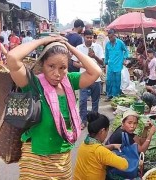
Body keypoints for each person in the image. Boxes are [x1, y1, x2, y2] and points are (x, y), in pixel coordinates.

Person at [7, 35, 102, 179]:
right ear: (42, 63)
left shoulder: (69, 80)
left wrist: (69, 47)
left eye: (63, 67)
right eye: (51, 66)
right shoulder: (32, 84)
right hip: (36, 156)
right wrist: (43, 42)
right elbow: (13, 58)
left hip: (62, 158)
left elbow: (96, 72)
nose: (57, 74)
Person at [74, 112, 128, 180]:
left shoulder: (84, 144)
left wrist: (112, 146)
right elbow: (124, 165)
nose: (106, 135)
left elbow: (95, 152)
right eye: (107, 131)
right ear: (102, 131)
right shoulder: (101, 151)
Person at [72, 30, 104, 129]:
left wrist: (94, 56)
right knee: (82, 101)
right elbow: (74, 63)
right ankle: (83, 121)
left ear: (92, 38)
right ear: (83, 37)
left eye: (91, 38)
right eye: (87, 37)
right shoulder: (79, 48)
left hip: (96, 79)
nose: (89, 39)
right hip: (84, 78)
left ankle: (93, 121)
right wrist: (84, 65)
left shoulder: (98, 47)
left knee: (95, 101)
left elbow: (102, 62)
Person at [104, 29, 128, 101]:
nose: (110, 39)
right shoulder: (107, 44)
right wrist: (105, 63)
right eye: (109, 37)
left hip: (118, 65)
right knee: (109, 81)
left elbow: (126, 51)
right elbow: (106, 54)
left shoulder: (120, 43)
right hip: (110, 65)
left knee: (117, 81)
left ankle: (116, 96)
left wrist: (124, 58)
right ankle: (109, 95)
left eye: (111, 37)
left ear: (115, 35)